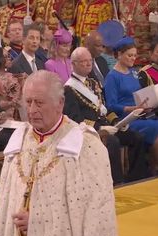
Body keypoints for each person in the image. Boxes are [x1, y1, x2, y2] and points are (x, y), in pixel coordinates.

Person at [0, 70, 127, 236]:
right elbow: (5, 211)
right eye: (28, 102)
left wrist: (38, 220)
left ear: (60, 103)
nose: (32, 110)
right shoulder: (18, 141)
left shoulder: (86, 146)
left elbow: (96, 221)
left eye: (39, 103)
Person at [64, 47, 150, 183]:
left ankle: (136, 178)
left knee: (137, 137)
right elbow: (75, 119)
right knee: (112, 142)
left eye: (89, 61)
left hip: (106, 125)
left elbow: (103, 108)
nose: (88, 64)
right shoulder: (68, 89)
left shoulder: (94, 83)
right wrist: (99, 129)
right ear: (73, 64)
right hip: (89, 130)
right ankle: (116, 182)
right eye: (83, 62)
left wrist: (117, 122)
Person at [104, 37, 158, 170]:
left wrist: (147, 104)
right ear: (119, 55)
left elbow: (139, 96)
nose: (133, 58)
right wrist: (131, 108)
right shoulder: (112, 76)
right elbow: (110, 105)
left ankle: (153, 165)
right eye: (129, 55)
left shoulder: (133, 72)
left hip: (140, 114)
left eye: (134, 55)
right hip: (126, 120)